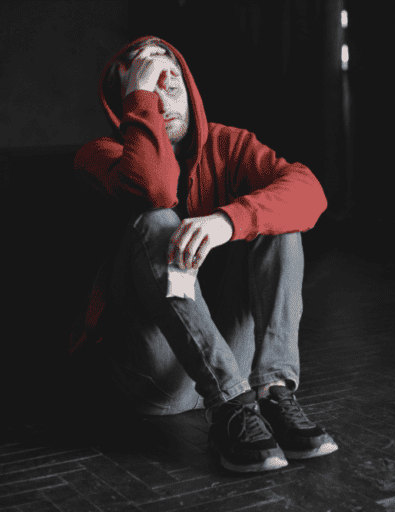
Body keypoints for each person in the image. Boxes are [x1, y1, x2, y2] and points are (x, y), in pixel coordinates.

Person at [71, 36, 337, 473]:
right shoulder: (100, 156)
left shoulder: (230, 145)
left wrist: (229, 220)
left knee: (278, 217)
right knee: (156, 220)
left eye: (171, 86)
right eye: (148, 95)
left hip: (234, 364)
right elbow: (153, 188)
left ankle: (273, 394)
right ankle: (229, 406)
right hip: (153, 375)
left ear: (191, 91)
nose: (163, 100)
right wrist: (142, 97)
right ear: (128, 108)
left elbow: (309, 190)